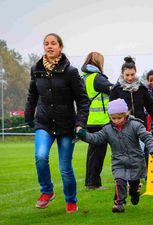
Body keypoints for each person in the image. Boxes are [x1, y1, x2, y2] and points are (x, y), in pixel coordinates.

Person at [24, 33, 89, 213]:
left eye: (53, 43)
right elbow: (32, 95)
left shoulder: (70, 71)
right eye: (46, 44)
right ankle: (47, 191)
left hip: (66, 125)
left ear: (60, 47)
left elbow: (83, 100)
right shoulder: (36, 69)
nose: (49, 46)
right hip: (43, 122)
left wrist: (80, 123)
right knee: (40, 156)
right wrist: (29, 116)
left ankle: (71, 201)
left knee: (65, 168)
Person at [75, 98, 153, 213]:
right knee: (119, 181)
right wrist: (84, 135)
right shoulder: (107, 129)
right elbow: (96, 138)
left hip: (135, 162)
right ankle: (119, 203)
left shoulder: (135, 125)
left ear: (126, 115)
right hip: (118, 162)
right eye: (113, 118)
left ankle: (135, 193)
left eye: (119, 118)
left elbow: (147, 137)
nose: (117, 121)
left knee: (133, 184)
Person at [110, 56, 153, 178]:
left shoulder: (141, 88)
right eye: (127, 75)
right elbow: (111, 111)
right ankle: (126, 178)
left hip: (139, 127)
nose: (130, 78)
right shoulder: (116, 89)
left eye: (132, 74)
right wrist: (112, 126)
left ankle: (137, 178)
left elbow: (152, 107)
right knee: (126, 155)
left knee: (140, 152)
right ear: (122, 74)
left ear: (135, 73)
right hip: (123, 128)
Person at [81, 52, 114, 190]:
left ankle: (91, 182)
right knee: (98, 153)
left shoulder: (84, 77)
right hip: (99, 120)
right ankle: (93, 183)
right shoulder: (97, 78)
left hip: (90, 120)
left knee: (93, 152)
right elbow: (113, 89)